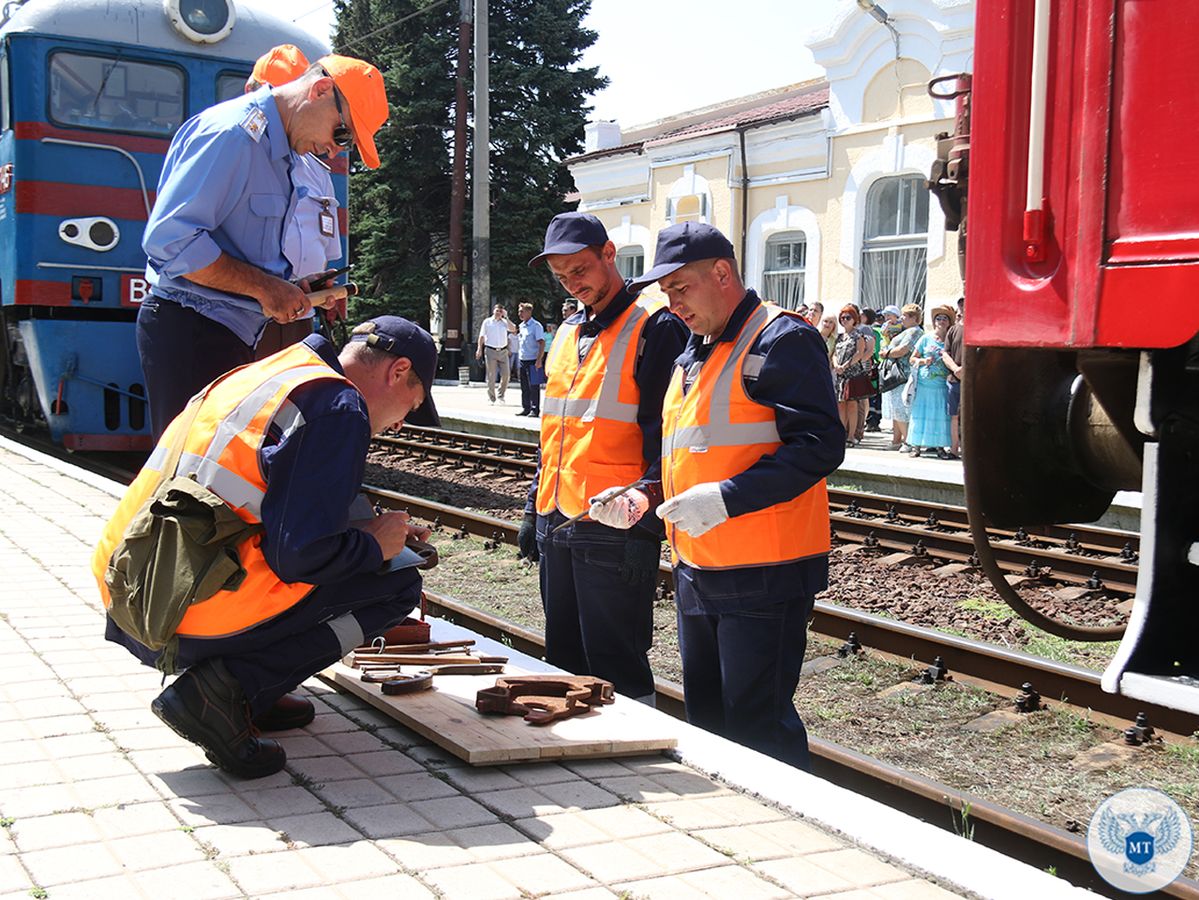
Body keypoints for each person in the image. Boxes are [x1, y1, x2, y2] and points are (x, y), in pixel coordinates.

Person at [92, 317, 440, 779]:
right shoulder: (339, 408)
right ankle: (222, 692)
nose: (399, 424)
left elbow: (271, 497)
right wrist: (376, 546)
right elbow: (302, 556)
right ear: (397, 371)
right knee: (397, 582)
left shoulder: (276, 374)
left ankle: (257, 689)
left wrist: (368, 529)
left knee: (368, 560)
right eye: (409, 408)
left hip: (130, 589)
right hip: (180, 615)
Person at [597, 222, 843, 769]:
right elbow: (689, 450)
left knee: (757, 722)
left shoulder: (782, 339)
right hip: (697, 565)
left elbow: (821, 445)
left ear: (722, 273)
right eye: (665, 292)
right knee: (708, 716)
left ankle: (780, 833)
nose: (672, 303)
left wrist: (727, 498)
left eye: (681, 288)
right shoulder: (693, 351)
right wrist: (643, 494)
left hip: (766, 566)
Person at [137, 54, 389, 439]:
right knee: (187, 481)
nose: (334, 150)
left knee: (216, 476)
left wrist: (286, 285)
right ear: (320, 90)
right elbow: (171, 240)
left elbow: (243, 248)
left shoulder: (281, 150)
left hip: (226, 332)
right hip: (191, 330)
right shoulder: (233, 136)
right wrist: (264, 287)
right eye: (342, 134)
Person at [521, 212, 688, 704]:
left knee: (616, 665)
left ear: (609, 254)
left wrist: (646, 528)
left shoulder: (655, 327)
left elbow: (667, 436)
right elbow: (555, 429)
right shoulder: (570, 331)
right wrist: (535, 505)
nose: (574, 285)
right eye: (562, 277)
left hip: (615, 523)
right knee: (563, 657)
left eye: (580, 270)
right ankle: (571, 763)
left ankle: (628, 765)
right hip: (560, 518)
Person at [244, 45, 346, 359]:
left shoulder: (318, 172)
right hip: (249, 316)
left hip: (300, 318)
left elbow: (324, 251)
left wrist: (322, 286)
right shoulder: (242, 154)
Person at [908, 305, 955, 458]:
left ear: (949, 322)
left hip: (941, 385)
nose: (941, 321)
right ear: (934, 322)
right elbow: (912, 358)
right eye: (938, 318)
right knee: (920, 414)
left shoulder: (950, 339)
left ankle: (940, 447)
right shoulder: (925, 338)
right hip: (924, 384)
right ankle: (916, 446)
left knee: (940, 416)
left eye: (944, 318)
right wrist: (923, 361)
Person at [880, 304, 923, 451]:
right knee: (896, 408)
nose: (901, 318)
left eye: (904, 316)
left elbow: (904, 349)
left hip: (903, 374)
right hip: (897, 374)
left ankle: (909, 441)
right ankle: (898, 440)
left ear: (913, 318)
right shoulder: (907, 331)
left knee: (900, 408)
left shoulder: (915, 331)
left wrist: (886, 353)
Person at [832, 304, 875, 447]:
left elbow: (860, 353)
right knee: (841, 405)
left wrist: (845, 365)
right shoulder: (839, 337)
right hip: (841, 376)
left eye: (847, 317)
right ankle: (842, 434)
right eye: (842, 317)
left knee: (852, 405)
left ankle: (851, 436)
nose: (844, 320)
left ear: (854, 319)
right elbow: (834, 354)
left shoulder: (858, 336)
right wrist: (837, 365)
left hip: (853, 374)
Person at [475, 304, 517, 403]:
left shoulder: (504, 322)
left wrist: (506, 317)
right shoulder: (487, 322)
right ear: (493, 311)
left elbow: (513, 329)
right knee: (491, 375)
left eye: (500, 311)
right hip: (490, 350)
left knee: (506, 375)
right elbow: (482, 336)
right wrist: (479, 349)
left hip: (503, 351)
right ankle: (491, 397)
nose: (498, 313)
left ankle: (501, 395)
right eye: (497, 311)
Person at [941, 296, 966, 459]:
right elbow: (945, 353)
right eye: (961, 306)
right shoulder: (953, 330)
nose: (964, 308)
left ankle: (968, 450)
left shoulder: (978, 328)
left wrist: (966, 369)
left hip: (972, 382)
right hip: (953, 379)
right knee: (953, 416)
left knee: (969, 417)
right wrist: (955, 368)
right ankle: (954, 449)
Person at [515, 302, 545, 417]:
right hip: (523, 359)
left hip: (533, 360)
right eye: (519, 311)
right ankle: (526, 408)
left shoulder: (536, 326)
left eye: (522, 311)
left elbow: (541, 343)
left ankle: (535, 409)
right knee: (524, 386)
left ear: (529, 312)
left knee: (534, 386)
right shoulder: (522, 326)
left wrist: (539, 360)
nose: (520, 314)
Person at [862, 308, 884, 432]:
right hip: (874, 365)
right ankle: (872, 421)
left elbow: (875, 350)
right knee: (874, 395)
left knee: (871, 395)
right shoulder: (877, 331)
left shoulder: (873, 332)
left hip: (871, 366)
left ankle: (871, 421)